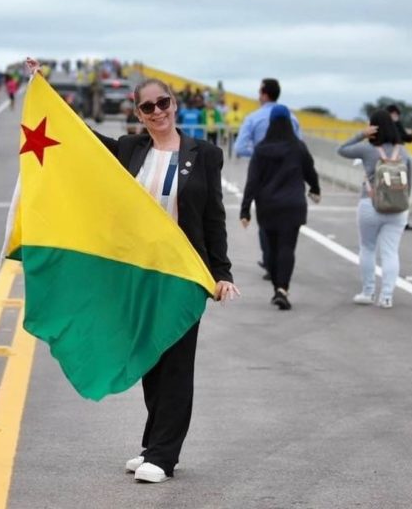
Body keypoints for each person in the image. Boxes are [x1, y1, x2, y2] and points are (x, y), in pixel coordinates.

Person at [25, 57, 239, 483]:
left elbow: (213, 216)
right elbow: (81, 141)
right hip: (139, 275)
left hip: (183, 276)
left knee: (177, 365)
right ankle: (151, 445)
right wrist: (41, 87)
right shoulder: (129, 149)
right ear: (137, 114)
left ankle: (164, 456)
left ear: (175, 104)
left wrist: (222, 272)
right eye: (148, 108)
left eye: (164, 103)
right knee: (150, 359)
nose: (158, 112)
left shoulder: (205, 154)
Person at [240, 105, 320, 310]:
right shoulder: (298, 146)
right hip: (293, 205)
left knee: (273, 249)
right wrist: (315, 189)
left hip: (267, 206)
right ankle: (282, 289)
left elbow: (252, 181)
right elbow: (310, 171)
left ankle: (278, 288)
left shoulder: (261, 149)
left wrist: (245, 210)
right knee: (287, 247)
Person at [337, 110, 412, 308]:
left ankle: (368, 292)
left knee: (368, 248)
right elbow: (409, 185)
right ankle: (387, 296)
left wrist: (362, 134)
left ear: (374, 128)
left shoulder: (367, 150)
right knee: (390, 252)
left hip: (370, 205)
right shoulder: (403, 152)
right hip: (398, 209)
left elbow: (341, 149)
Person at [234, 79, 301, 279]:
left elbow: (239, 147)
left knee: (265, 221)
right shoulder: (293, 119)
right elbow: (300, 146)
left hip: (263, 176)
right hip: (289, 175)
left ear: (264, 94)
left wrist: (258, 153)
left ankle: (270, 260)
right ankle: (281, 260)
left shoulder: (253, 118)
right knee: (287, 221)